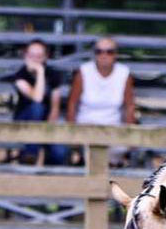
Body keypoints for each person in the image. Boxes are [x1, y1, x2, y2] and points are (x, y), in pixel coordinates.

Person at [66, 37, 136, 165]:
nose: (104, 55)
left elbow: (129, 106)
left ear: (115, 54)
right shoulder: (83, 72)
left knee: (119, 148)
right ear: (94, 54)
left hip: (113, 127)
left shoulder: (124, 73)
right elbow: (72, 103)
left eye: (109, 51)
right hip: (85, 126)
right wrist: (72, 131)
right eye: (99, 51)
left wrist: (129, 133)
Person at [12, 39, 68, 165]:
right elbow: (37, 98)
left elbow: (55, 106)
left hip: (46, 122)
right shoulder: (20, 76)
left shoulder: (53, 75)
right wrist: (41, 72)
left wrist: (48, 130)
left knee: (60, 152)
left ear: (46, 57)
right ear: (25, 56)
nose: (34, 59)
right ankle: (31, 154)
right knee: (37, 108)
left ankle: (49, 178)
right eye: (31, 55)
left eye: (39, 56)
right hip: (23, 123)